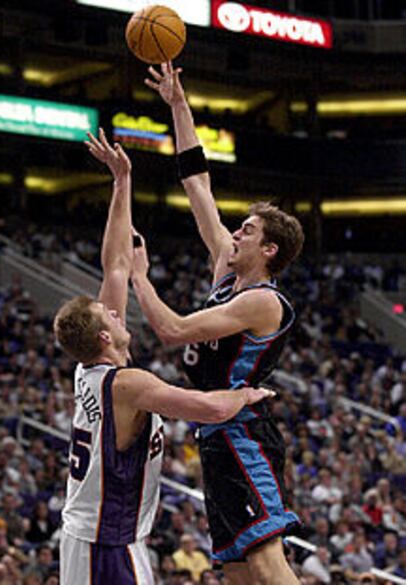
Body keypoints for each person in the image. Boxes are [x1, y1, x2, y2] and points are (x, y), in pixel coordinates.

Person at [55, 129, 271, 585]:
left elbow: (115, 264)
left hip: (99, 536)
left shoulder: (94, 367)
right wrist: (248, 395)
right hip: (104, 541)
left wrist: (122, 182)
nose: (116, 313)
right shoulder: (129, 384)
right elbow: (210, 407)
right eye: (108, 316)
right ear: (103, 336)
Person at [131, 62, 305, 585]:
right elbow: (197, 183)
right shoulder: (225, 268)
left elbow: (175, 331)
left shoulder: (262, 301)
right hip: (216, 433)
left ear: (267, 250)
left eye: (246, 230)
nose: (234, 233)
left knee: (267, 562)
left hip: (243, 433)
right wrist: (178, 103)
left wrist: (141, 279)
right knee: (236, 572)